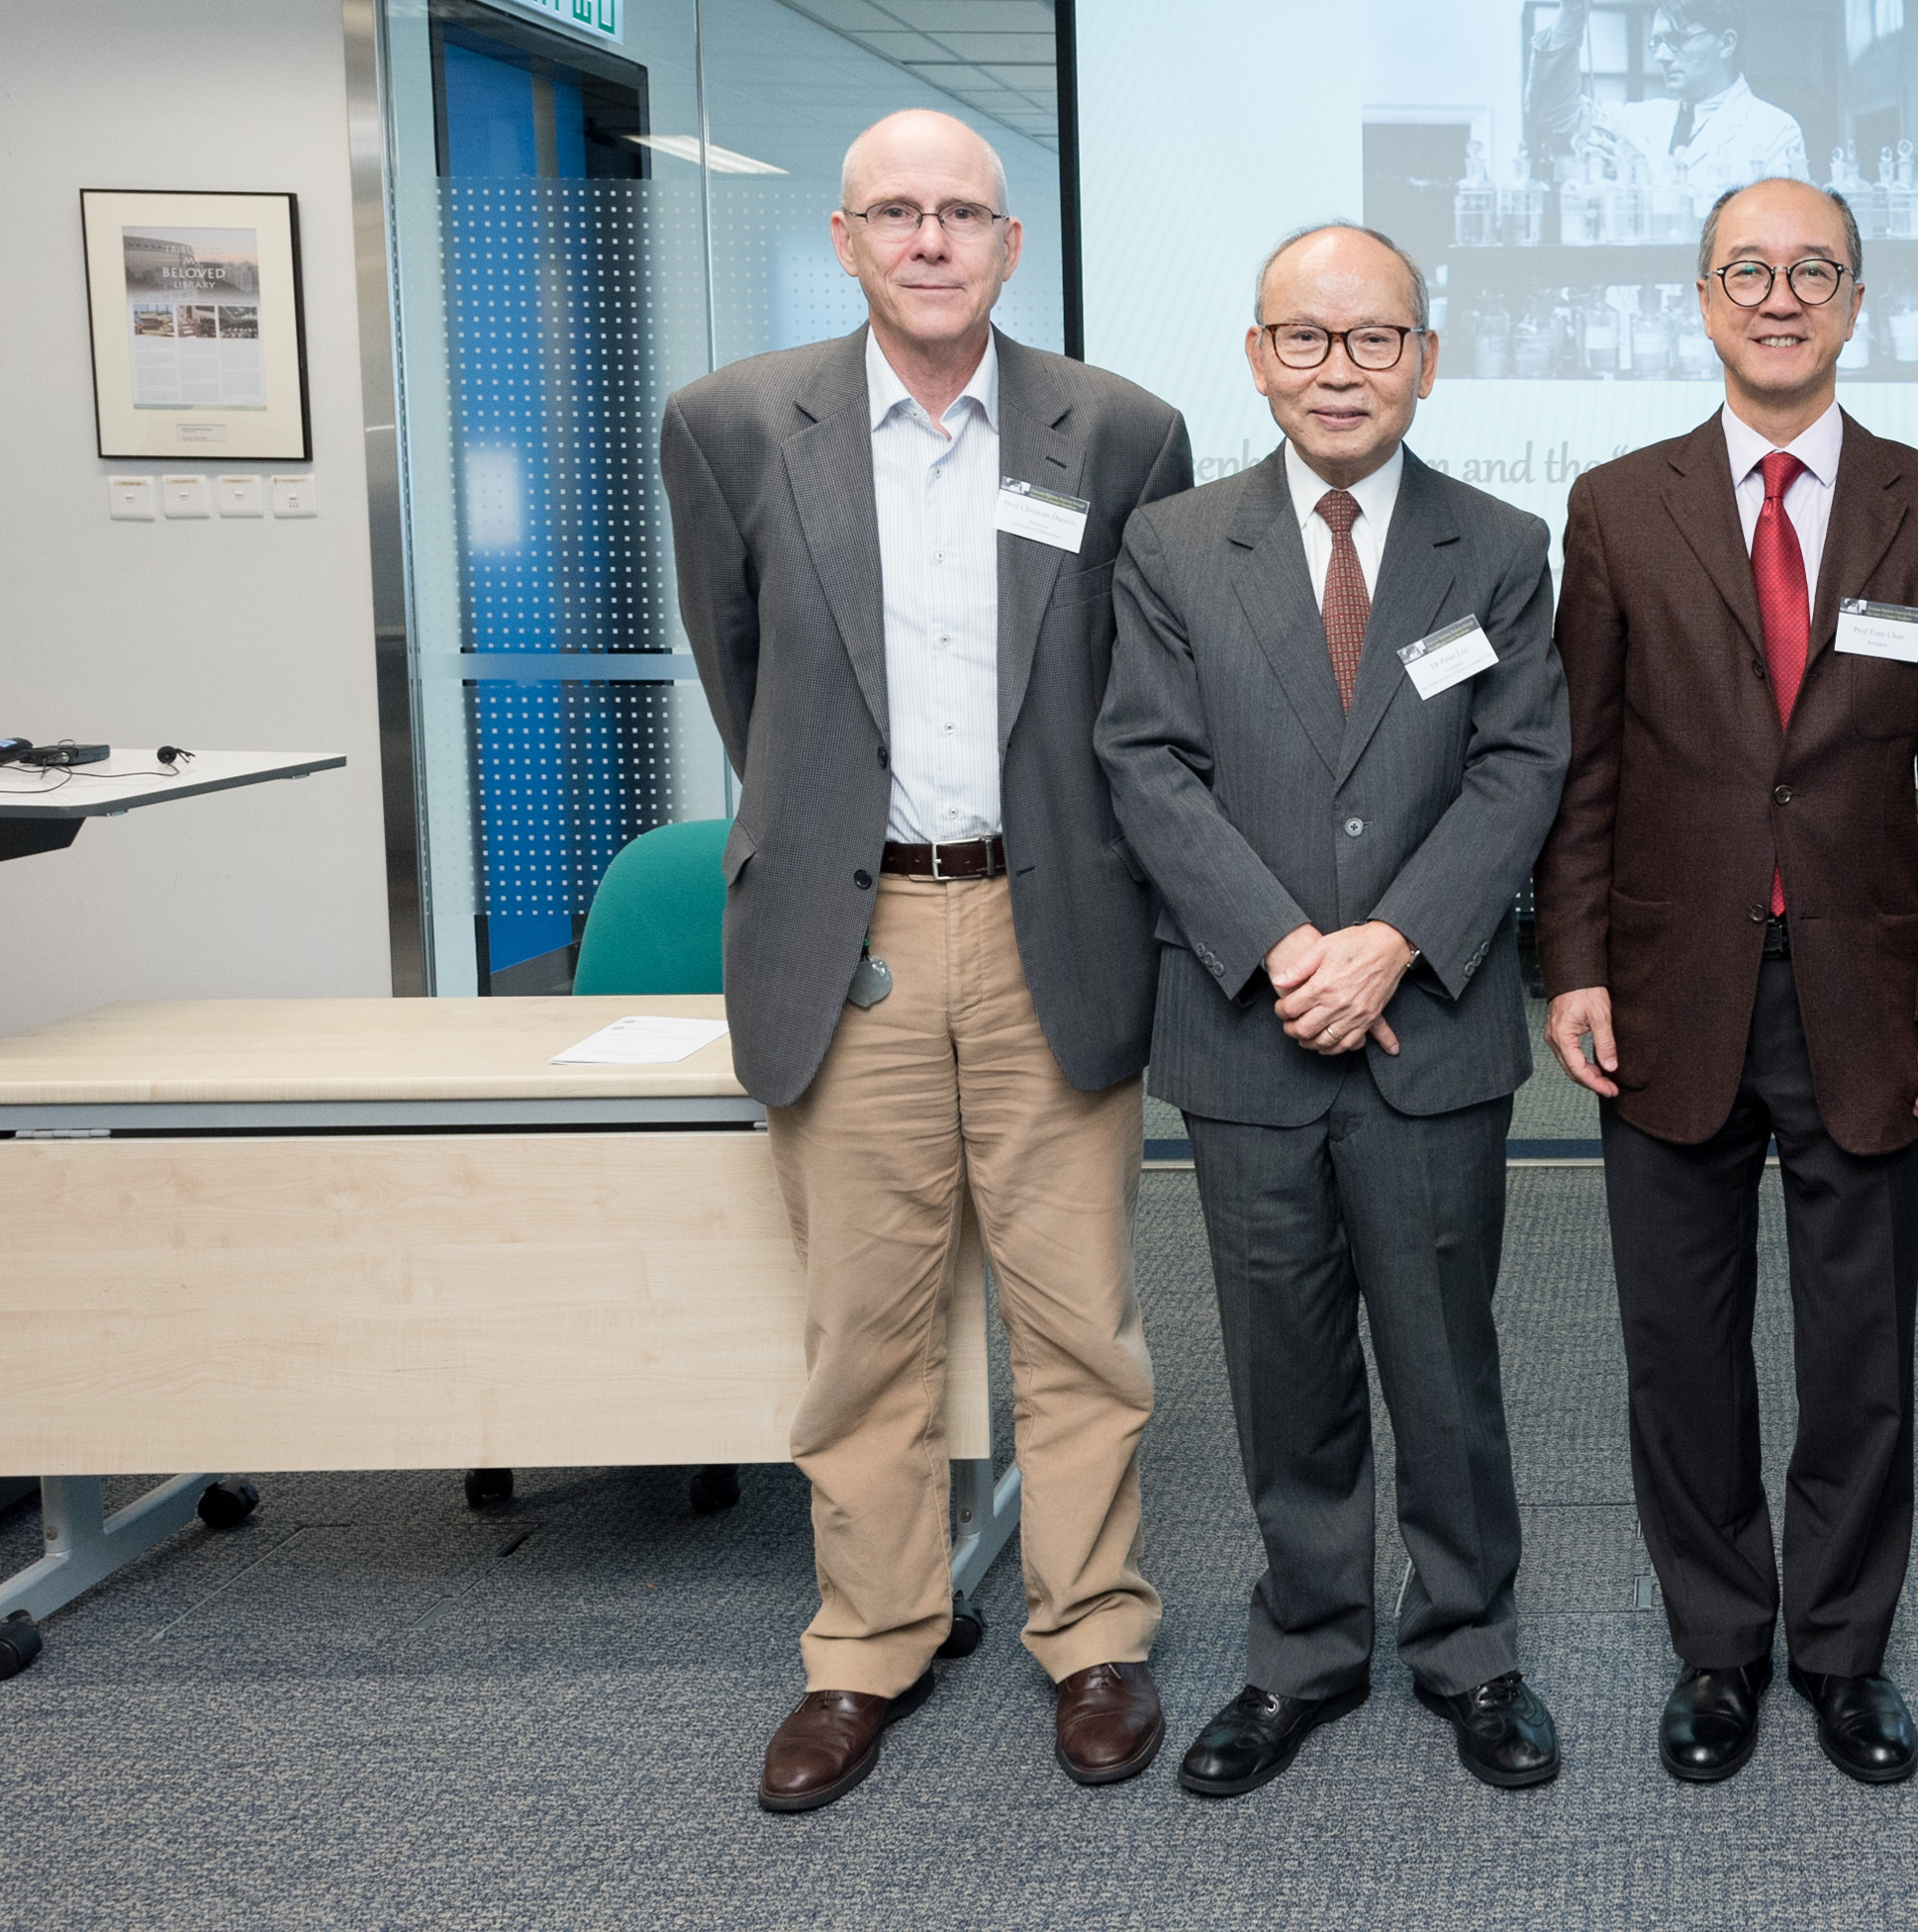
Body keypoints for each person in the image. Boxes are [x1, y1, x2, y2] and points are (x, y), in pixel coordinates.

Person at [659, 109, 1193, 1812]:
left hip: (1056, 914)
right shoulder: (735, 424)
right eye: (897, 212)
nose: (932, 239)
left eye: (963, 212)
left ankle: (1091, 1628)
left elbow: (1141, 691)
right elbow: (745, 685)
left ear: (1010, 243)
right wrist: (838, 845)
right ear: (844, 238)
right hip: (854, 926)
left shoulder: (1117, 431)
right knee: (861, 1328)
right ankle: (867, 1643)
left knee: (1077, 1320)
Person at [1535, 176, 1918, 1787]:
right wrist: (1573, 960)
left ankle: (1842, 1653)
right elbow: (1583, 759)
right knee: (1680, 1342)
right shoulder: (1616, 505)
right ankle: (1719, 1646)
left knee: (1861, 1347)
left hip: (1869, 991)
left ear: (1858, 303)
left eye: (1815, 272)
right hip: (1666, 984)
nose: (1781, 294)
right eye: (1750, 269)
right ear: (1704, 295)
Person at [1097, 224, 1572, 1798]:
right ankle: (1305, 1643)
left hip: (1428, 1028)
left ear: (1426, 360)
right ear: (1255, 355)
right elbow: (1146, 762)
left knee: (1445, 1356)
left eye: (1375, 340)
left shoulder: (1497, 544)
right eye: (1306, 338)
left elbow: (1520, 765)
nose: (1340, 370)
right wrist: (1291, 946)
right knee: (1281, 1357)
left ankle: (1469, 1644)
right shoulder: (1174, 545)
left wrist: (1391, 943)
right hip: (1247, 1026)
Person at [1530, 0, 1809, 200]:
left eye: (1676, 40)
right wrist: (1572, 11)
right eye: (1656, 42)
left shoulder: (1775, 132)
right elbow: (1555, 112)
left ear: (1725, 44)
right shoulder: (1642, 120)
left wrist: (1645, 181)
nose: (1661, 56)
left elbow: (1771, 235)